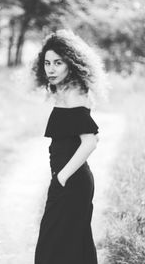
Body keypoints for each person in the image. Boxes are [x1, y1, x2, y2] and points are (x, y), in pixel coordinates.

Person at [32, 29, 108, 264]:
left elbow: (91, 141)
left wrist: (62, 177)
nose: (51, 69)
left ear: (71, 64)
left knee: (53, 246)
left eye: (58, 63)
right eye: (47, 63)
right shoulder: (64, 90)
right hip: (71, 180)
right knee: (72, 244)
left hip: (72, 182)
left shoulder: (74, 94)